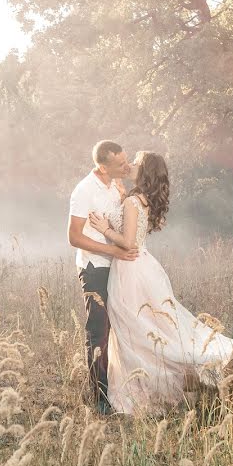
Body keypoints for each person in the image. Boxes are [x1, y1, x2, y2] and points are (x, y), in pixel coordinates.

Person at [88, 151, 233, 415]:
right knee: (145, 326)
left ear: (144, 171)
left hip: (130, 269)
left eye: (136, 162)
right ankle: (146, 381)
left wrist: (104, 229)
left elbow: (129, 242)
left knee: (135, 328)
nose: (130, 164)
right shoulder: (139, 199)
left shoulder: (134, 202)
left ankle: (143, 388)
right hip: (141, 265)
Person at [68, 140, 139, 414]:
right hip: (95, 266)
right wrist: (112, 250)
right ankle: (99, 397)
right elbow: (74, 237)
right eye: (120, 163)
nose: (126, 165)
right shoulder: (84, 190)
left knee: (120, 326)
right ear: (102, 165)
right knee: (98, 330)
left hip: (118, 266)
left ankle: (121, 388)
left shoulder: (115, 186)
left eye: (126, 160)